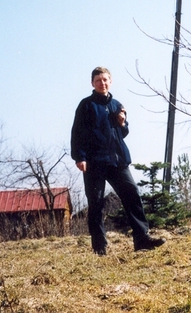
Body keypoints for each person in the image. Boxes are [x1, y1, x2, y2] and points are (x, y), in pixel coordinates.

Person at [70, 67, 165, 255]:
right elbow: (77, 133)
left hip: (117, 161)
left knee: (132, 194)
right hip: (94, 162)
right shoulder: (86, 105)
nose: (102, 83)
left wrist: (122, 122)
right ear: (92, 83)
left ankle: (142, 239)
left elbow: (122, 133)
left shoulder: (116, 105)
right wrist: (80, 157)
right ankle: (100, 248)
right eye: (98, 80)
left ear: (110, 82)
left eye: (105, 80)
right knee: (96, 203)